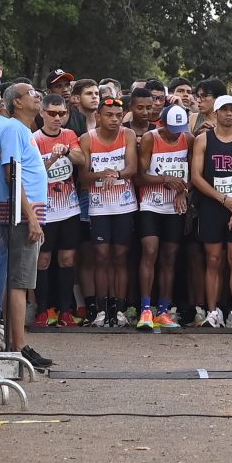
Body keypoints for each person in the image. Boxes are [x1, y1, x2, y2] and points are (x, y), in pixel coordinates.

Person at [0, 80, 52, 369]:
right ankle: (20, 344)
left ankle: (15, 341)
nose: (37, 97)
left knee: (21, 279)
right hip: (20, 214)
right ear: (16, 102)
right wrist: (30, 217)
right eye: (31, 94)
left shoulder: (22, 130)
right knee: (21, 280)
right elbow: (12, 175)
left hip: (25, 212)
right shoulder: (15, 129)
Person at [190, 93, 232, 328]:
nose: (229, 113)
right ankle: (212, 311)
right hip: (212, 206)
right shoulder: (204, 140)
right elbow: (196, 176)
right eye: (224, 109)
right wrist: (222, 198)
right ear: (215, 113)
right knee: (213, 259)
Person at [82, 92, 144, 327]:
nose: (115, 120)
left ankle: (118, 309)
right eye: (109, 115)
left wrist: (116, 174)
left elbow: (132, 167)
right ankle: (100, 309)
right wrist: (101, 175)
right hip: (99, 207)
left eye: (118, 115)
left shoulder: (127, 135)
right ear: (98, 116)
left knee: (120, 257)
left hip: (124, 206)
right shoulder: (87, 139)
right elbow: (82, 176)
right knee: (101, 257)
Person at [137, 99, 194, 326]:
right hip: (151, 204)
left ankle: (163, 309)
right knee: (150, 251)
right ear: (161, 124)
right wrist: (165, 179)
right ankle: (145, 309)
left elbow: (193, 173)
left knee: (170, 257)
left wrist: (184, 192)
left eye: (178, 131)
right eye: (171, 131)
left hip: (175, 206)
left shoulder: (188, 138)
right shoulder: (151, 138)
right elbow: (140, 176)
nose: (174, 136)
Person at [33, 93, 86, 328]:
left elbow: (81, 159)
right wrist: (51, 161)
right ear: (42, 113)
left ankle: (66, 310)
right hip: (45, 210)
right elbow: (34, 174)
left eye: (62, 113)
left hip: (70, 209)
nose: (57, 118)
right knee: (43, 260)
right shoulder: (34, 139)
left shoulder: (70, 135)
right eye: (52, 113)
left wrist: (65, 152)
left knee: (67, 259)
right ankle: (44, 310)